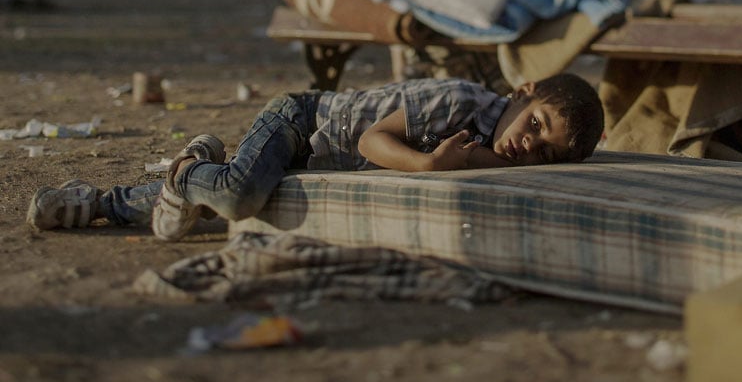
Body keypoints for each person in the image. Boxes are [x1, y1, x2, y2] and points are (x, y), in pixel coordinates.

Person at [27, 73, 604, 240]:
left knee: (225, 198)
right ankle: (192, 166)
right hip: (303, 124)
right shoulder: (458, 102)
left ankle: (100, 202)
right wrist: (431, 164)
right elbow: (372, 143)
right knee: (235, 194)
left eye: (545, 151)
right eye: (536, 124)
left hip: (322, 164)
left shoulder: (503, 154)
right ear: (522, 91)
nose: (530, 145)